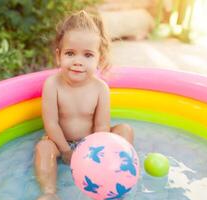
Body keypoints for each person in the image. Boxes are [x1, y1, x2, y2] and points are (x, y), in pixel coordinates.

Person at [34, 10, 134, 200]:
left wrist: (92, 156)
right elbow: (51, 123)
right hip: (60, 142)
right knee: (43, 148)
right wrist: (65, 151)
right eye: (70, 53)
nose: (78, 62)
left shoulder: (100, 88)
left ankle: (117, 174)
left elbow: (102, 127)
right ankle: (49, 192)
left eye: (88, 55)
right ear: (58, 56)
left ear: (99, 58)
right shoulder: (52, 84)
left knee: (125, 130)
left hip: (92, 145)